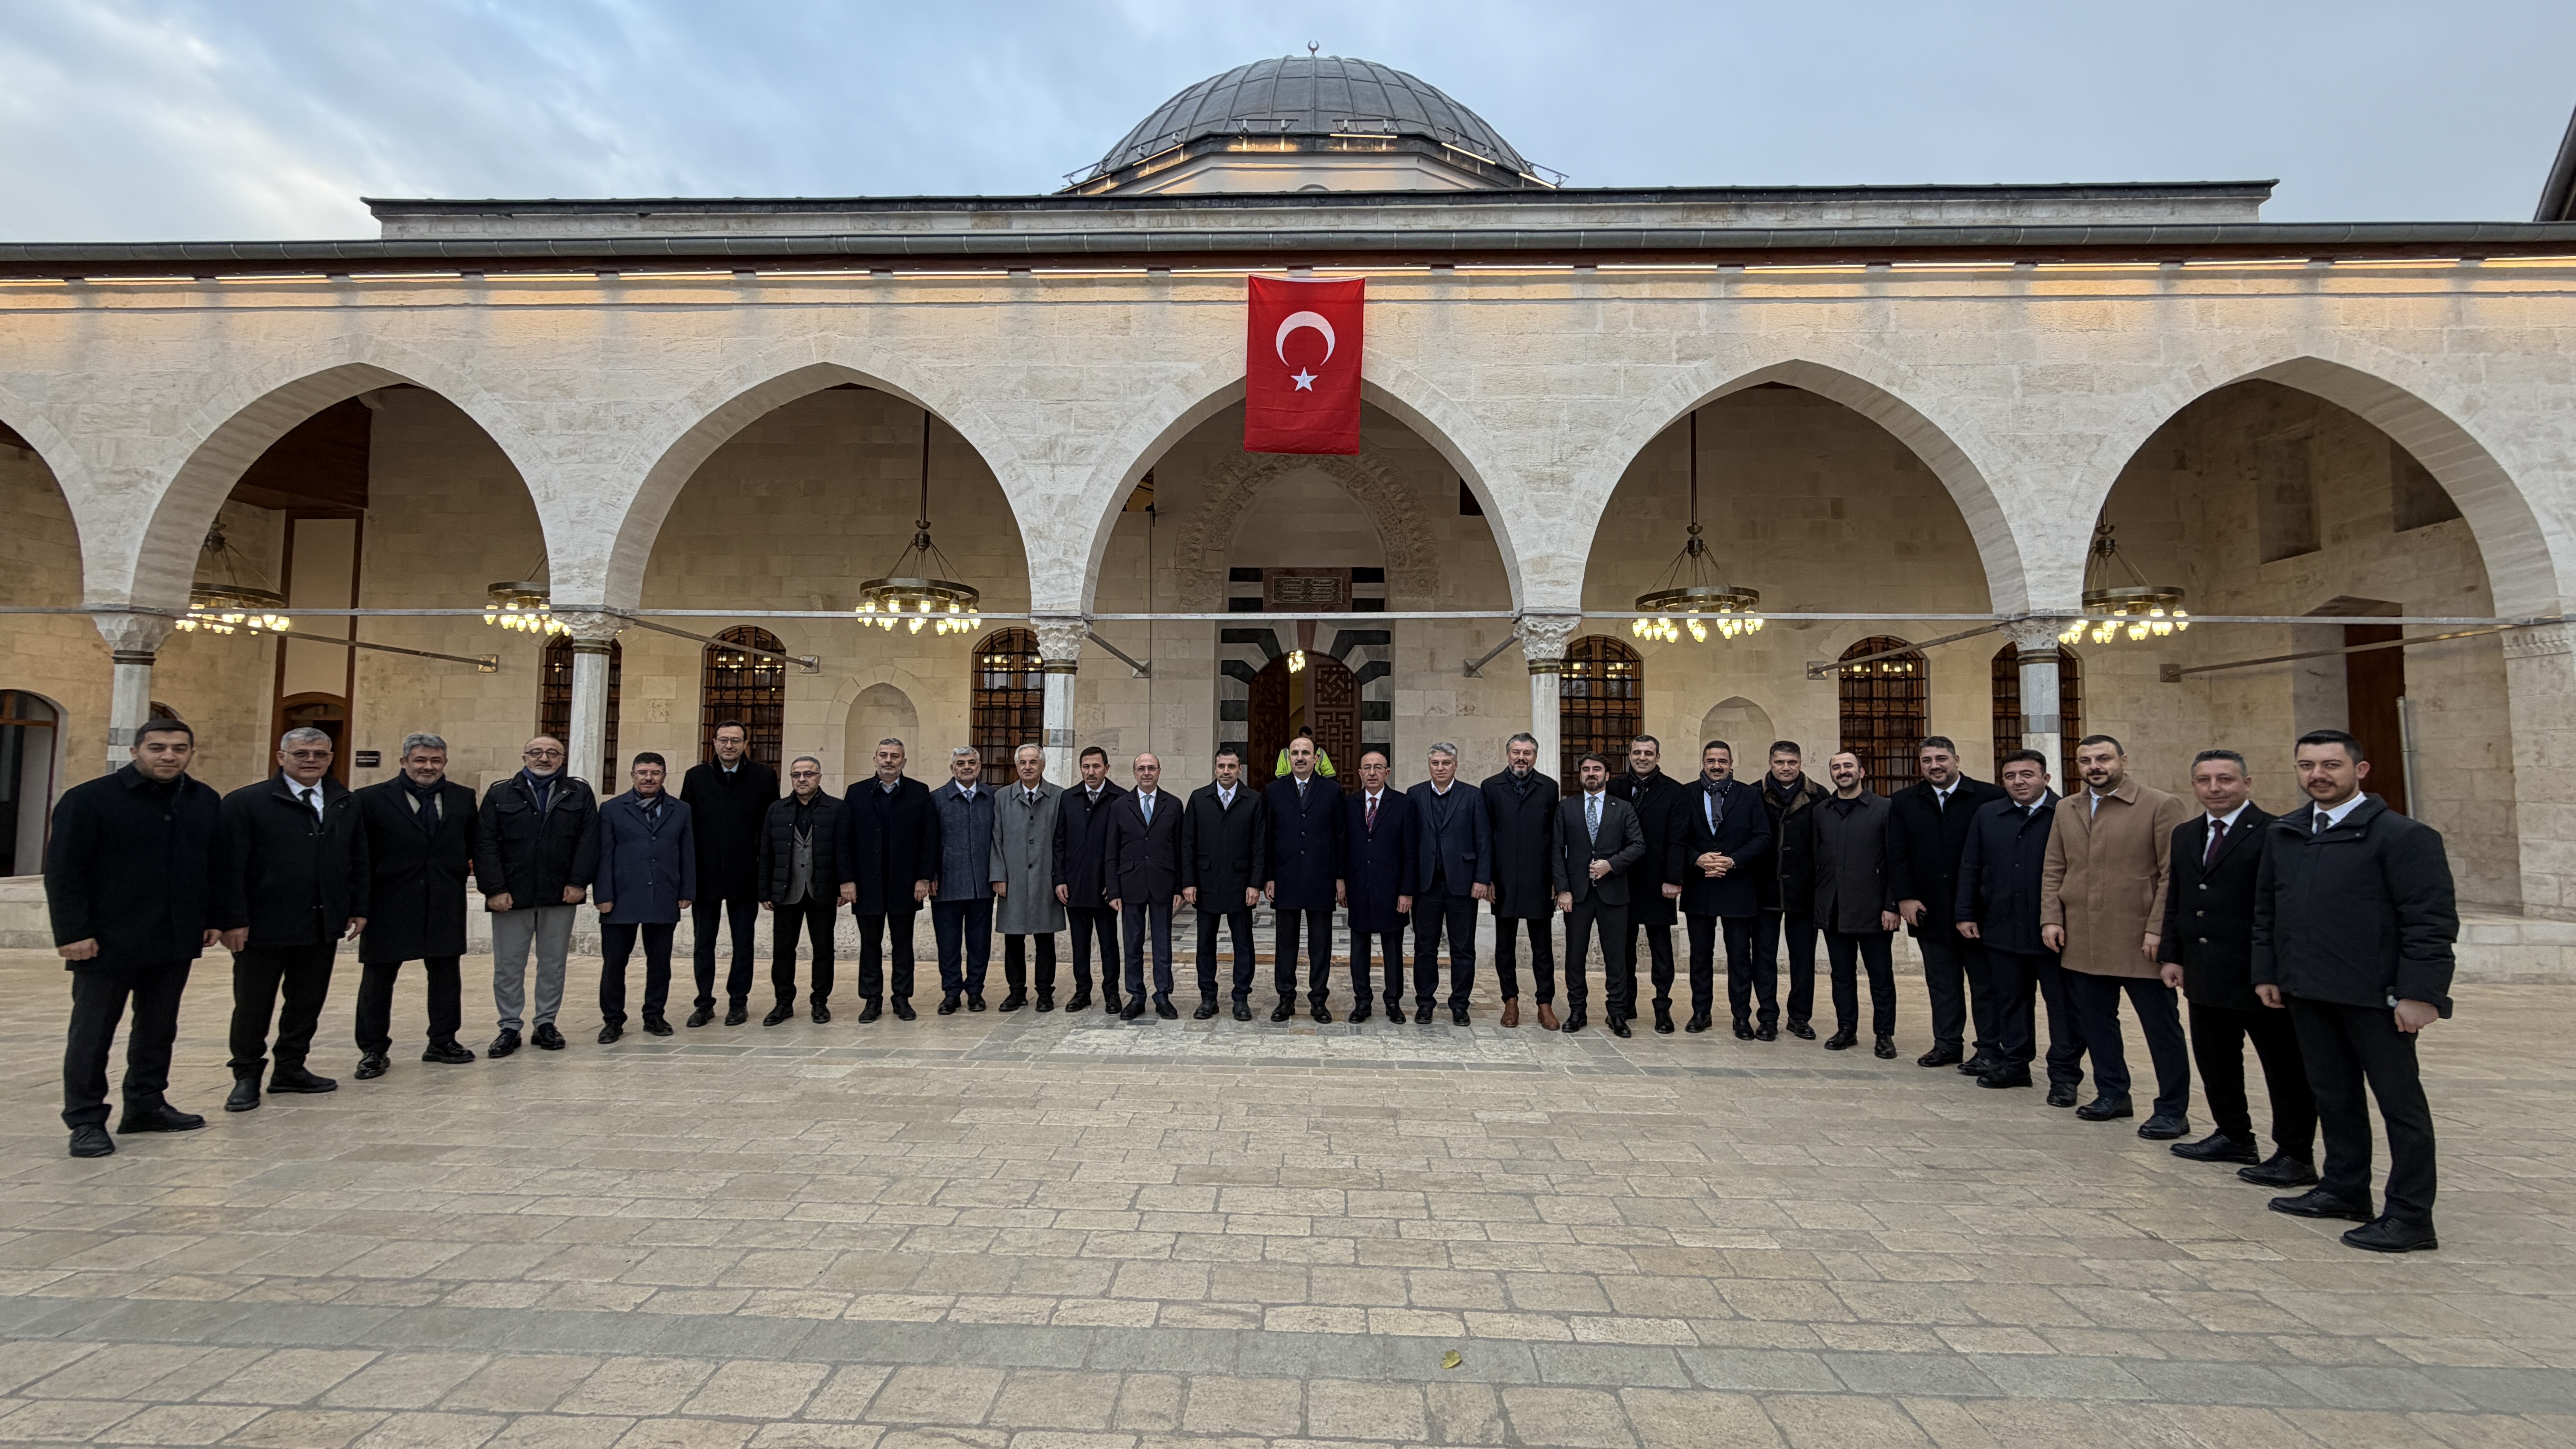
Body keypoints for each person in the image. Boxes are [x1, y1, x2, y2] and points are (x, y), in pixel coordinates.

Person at [2254, 729, 2458, 1253]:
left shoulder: (2404, 836)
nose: (2317, 775)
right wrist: (2270, 972)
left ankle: (2411, 1216)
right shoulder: (2287, 833)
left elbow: (2429, 922)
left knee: (2400, 1108)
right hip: (2308, 991)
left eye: (2330, 765)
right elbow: (2269, 912)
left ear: (2360, 771)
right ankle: (2344, 1189)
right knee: (2334, 1096)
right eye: (2306, 766)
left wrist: (2421, 994)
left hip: (2378, 998)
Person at [48, 718, 230, 1158]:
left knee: (158, 1028)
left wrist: (213, 916)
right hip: (107, 940)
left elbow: (214, 865)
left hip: (172, 936)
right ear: (136, 752)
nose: (169, 755)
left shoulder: (204, 800)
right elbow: (65, 871)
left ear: (191, 752)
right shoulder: (90, 800)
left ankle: (146, 1105)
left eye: (179, 748)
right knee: (93, 1033)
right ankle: (87, 1119)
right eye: (158, 747)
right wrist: (74, 932)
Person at [2159, 750, 2314, 1185]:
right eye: (2205, 780)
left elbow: (2283, 906)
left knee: (2284, 1068)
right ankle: (2233, 1133)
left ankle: (2295, 1152)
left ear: (2248, 783)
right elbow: (2180, 897)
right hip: (2204, 971)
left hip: (2258, 975)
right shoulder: (2187, 834)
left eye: (2225, 779)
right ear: (2193, 785)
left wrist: (2273, 970)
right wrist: (2174, 953)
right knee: (2215, 1059)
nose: (2215, 788)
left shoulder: (2276, 833)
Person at [2042, 734, 2192, 1136]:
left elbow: (2172, 876)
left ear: (2123, 760)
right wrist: (2052, 917)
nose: (2096, 766)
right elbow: (2055, 867)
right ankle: (2112, 1093)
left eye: (2104, 758)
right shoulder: (2066, 807)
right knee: (2095, 1021)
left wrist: (2159, 928)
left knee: (2160, 1027)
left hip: (2139, 937)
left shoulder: (2160, 805)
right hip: (2084, 935)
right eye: (2086, 760)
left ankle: (2172, 1108)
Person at [217, 726, 369, 1113]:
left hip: (320, 922)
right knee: (253, 1003)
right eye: (302, 754)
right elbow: (228, 865)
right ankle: (247, 1074)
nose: (311, 760)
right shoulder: (246, 802)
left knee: (306, 1001)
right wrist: (232, 919)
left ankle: (291, 1067)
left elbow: (357, 859)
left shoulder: (344, 802)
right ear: (281, 756)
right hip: (262, 925)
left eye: (320, 754)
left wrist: (357, 906)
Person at [350, 732, 479, 1077]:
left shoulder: (462, 798)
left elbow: (472, 846)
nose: (428, 767)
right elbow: (358, 856)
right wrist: (357, 905)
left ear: (445, 763)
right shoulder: (370, 799)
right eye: (421, 760)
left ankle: (443, 1039)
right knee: (379, 978)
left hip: (443, 899)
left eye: (436, 760)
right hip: (389, 901)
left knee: (445, 974)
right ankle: (373, 1048)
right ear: (404, 761)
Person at [1954, 750, 2073, 1095]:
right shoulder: (1988, 814)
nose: (2019, 782)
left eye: (2027, 774)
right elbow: (1971, 866)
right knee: (2010, 1000)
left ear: (2046, 779)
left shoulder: (2065, 814)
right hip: (2002, 926)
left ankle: (2064, 1076)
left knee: (2063, 1007)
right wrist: (1965, 912)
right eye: (2010, 776)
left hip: (2053, 931)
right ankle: (2015, 1064)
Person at [1887, 736, 2008, 1072]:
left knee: (1984, 984)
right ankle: (1947, 1043)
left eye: (1941, 758)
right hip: (1929, 909)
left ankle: (1988, 1047)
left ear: (1957, 759)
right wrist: (1905, 897)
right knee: (1942, 983)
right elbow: (1897, 854)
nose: (1935, 766)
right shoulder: (1905, 801)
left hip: (1978, 911)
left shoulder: (1989, 797)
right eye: (1927, 760)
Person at [476, 735, 599, 1058]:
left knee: (554, 963)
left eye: (552, 753)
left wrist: (578, 882)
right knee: (509, 965)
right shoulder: (500, 793)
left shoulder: (578, 792)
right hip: (511, 895)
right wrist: (494, 889)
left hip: (560, 892)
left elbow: (589, 840)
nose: (544, 758)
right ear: (524, 756)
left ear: (562, 759)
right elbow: (486, 843)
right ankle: (509, 1026)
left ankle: (546, 1022)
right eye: (536, 752)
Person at [680, 721, 778, 1027]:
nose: (729, 746)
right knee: (703, 942)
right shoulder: (696, 777)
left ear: (746, 744)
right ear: (713, 742)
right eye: (723, 740)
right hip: (705, 875)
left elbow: (770, 829)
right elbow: (685, 827)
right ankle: (704, 1002)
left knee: (743, 941)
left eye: (736, 741)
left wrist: (766, 879)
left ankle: (739, 1001)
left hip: (745, 874)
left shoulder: (763, 776)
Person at [836, 736, 939, 1022]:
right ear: (875, 759)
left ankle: (902, 998)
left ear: (904, 762)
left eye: (895, 756)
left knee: (903, 944)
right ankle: (872, 999)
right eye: (884, 755)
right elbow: (844, 840)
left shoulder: (919, 793)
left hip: (905, 885)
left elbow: (929, 839)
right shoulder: (856, 793)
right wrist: (846, 880)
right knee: (870, 944)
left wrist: (923, 878)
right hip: (867, 884)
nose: (889, 760)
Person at [593, 753, 695, 1043]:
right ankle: (613, 1020)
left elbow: (687, 852)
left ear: (664, 776)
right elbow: (604, 855)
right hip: (620, 899)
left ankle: (654, 1016)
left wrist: (687, 890)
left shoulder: (681, 809)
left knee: (660, 962)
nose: (648, 778)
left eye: (655, 772)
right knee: (614, 964)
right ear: (633, 775)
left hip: (663, 895)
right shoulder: (612, 809)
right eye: (642, 772)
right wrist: (603, 895)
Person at [1676, 740, 1772, 1037]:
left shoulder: (1751, 795)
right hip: (1699, 885)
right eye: (1711, 760)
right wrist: (1697, 859)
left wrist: (1733, 861)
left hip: (1738, 886)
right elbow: (1677, 836)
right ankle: (1701, 1012)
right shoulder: (1686, 793)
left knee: (1740, 957)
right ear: (1702, 762)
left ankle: (1741, 1016)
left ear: (1732, 762)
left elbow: (1763, 836)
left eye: (1722, 760)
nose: (1716, 766)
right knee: (1700, 956)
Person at [1812, 750, 1899, 1058]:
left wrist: (1892, 904)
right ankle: (1846, 1028)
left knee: (1881, 975)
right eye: (1836, 767)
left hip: (1874, 907)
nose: (1842, 771)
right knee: (1841, 974)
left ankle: (1884, 1033)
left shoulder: (1884, 809)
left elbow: (1895, 860)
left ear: (1862, 772)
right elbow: (1815, 857)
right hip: (1834, 905)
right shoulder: (1822, 810)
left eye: (1848, 766)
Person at [1552, 753, 1644, 1036]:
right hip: (1577, 896)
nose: (1591, 774)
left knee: (1616, 957)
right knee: (1575, 956)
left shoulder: (1623, 808)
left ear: (1607, 775)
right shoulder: (1566, 808)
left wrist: (1611, 864)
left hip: (1614, 894)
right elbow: (1556, 851)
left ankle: (1617, 1013)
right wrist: (1563, 890)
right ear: (1580, 775)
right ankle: (1577, 1011)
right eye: (1586, 770)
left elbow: (1638, 844)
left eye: (1597, 770)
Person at [1608, 735, 1689, 1033]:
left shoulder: (1675, 792)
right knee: (1622, 947)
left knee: (1661, 949)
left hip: (1658, 882)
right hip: (1622, 880)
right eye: (1637, 752)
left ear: (1658, 756)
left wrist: (1673, 879)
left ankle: (1662, 1007)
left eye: (1649, 753)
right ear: (1629, 754)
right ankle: (1626, 1003)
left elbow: (1678, 839)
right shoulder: (1615, 788)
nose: (1642, 757)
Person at [1265, 733, 1348, 1023]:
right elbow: (1267, 837)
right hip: (1285, 877)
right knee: (1285, 943)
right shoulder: (1274, 791)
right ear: (1289, 759)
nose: (1300, 757)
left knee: (1320, 944)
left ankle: (1318, 1000)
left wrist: (1340, 877)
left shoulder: (1332, 790)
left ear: (1316, 758)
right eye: (1295, 753)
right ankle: (1285, 998)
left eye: (1306, 753)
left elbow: (1340, 836)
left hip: (1321, 877)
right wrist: (1269, 876)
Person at [1481, 732, 1560, 1029]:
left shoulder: (1549, 788)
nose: (1521, 758)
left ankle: (1545, 1004)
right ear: (1507, 754)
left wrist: (1557, 879)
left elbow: (1556, 837)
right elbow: (1485, 836)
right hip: (1503, 880)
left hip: (1539, 878)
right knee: (1505, 944)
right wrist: (1486, 877)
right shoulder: (1490, 787)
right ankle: (1510, 1001)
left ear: (1535, 757)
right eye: (1516, 752)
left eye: (1527, 753)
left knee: (1542, 946)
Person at [1408, 743, 1490, 1026]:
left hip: (1463, 886)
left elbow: (1484, 840)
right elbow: (1409, 843)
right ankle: (1425, 1003)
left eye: (1446, 763)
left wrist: (1482, 878)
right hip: (1426, 885)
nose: (1440, 768)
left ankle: (1459, 1004)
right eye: (1435, 763)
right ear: (1428, 765)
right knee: (1424, 948)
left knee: (1463, 949)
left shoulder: (1473, 796)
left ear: (1456, 765)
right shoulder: (1415, 795)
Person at [1182, 746, 1266, 1020]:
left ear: (1239, 769)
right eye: (1222, 767)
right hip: (1206, 883)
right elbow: (1187, 844)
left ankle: (1241, 997)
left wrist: (1256, 883)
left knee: (1243, 944)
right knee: (1206, 944)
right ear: (1215, 768)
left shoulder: (1253, 800)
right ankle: (1208, 998)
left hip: (1241, 885)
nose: (1226, 772)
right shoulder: (1198, 799)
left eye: (1231, 767)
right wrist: (1188, 882)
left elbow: (1259, 845)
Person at [757, 755, 842, 1025]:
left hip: (823, 890)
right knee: (783, 950)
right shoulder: (777, 810)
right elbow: (766, 852)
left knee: (824, 949)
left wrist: (844, 884)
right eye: (797, 775)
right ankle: (783, 1003)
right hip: (786, 890)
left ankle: (820, 1001)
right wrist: (764, 891)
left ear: (819, 777)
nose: (802, 779)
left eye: (809, 774)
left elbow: (844, 851)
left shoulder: (836, 808)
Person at [1753, 742, 1827, 1040]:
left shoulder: (1819, 795)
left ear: (1800, 763)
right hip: (1764, 889)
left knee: (1803, 957)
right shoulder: (1753, 794)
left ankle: (1799, 1016)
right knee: (1764, 957)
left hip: (1804, 890)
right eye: (1780, 762)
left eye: (1792, 762)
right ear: (1770, 762)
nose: (1786, 767)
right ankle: (1767, 1016)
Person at [1343, 749, 1419, 1023]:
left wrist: (1407, 891)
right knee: (1359, 950)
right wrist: (1341, 881)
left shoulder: (1403, 804)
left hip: (1392, 890)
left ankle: (1393, 1001)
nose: (1372, 773)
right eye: (1367, 768)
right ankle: (1362, 1001)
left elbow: (1410, 851)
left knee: (1393, 949)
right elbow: (1343, 846)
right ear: (1360, 773)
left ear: (1388, 773)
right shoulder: (1348, 804)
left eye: (1378, 767)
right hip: (1359, 887)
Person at [1106, 752, 1184, 1020]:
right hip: (1131, 884)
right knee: (1133, 944)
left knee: (1162, 944)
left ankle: (1163, 995)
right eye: (1141, 769)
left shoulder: (1173, 805)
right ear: (1134, 773)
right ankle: (1136, 995)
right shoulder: (1119, 806)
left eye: (1152, 768)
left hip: (1163, 883)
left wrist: (1180, 887)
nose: (1147, 773)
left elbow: (1181, 849)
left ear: (1160, 771)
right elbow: (1111, 851)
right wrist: (1113, 890)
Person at [990, 745, 1065, 1013]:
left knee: (1045, 939)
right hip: (1014, 879)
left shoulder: (1059, 797)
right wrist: (998, 875)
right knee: (1013, 939)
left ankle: (1045, 992)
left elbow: (1063, 841)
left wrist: (1060, 878)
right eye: (1023, 762)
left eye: (1034, 762)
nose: (1028, 767)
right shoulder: (1002, 798)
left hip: (1046, 878)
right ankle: (1016, 991)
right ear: (1016, 766)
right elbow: (996, 839)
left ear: (1043, 766)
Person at [928, 746, 1003, 1014]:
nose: (967, 767)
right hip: (946, 885)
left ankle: (975, 991)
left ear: (980, 767)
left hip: (981, 885)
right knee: (948, 944)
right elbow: (928, 842)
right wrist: (930, 876)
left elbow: (999, 840)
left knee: (979, 943)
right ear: (953, 769)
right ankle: (951, 992)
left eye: (972, 762)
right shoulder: (936, 799)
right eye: (961, 763)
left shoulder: (993, 797)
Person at [1053, 745, 1126, 1015]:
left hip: (1106, 888)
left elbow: (1124, 844)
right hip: (1074, 885)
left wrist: (1116, 882)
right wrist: (1060, 878)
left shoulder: (1119, 798)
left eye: (1096, 766)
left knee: (1109, 944)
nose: (1091, 772)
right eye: (1086, 767)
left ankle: (1111, 994)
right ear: (1080, 769)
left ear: (1107, 768)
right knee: (1079, 944)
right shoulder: (1069, 798)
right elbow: (1059, 841)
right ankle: (1082, 992)